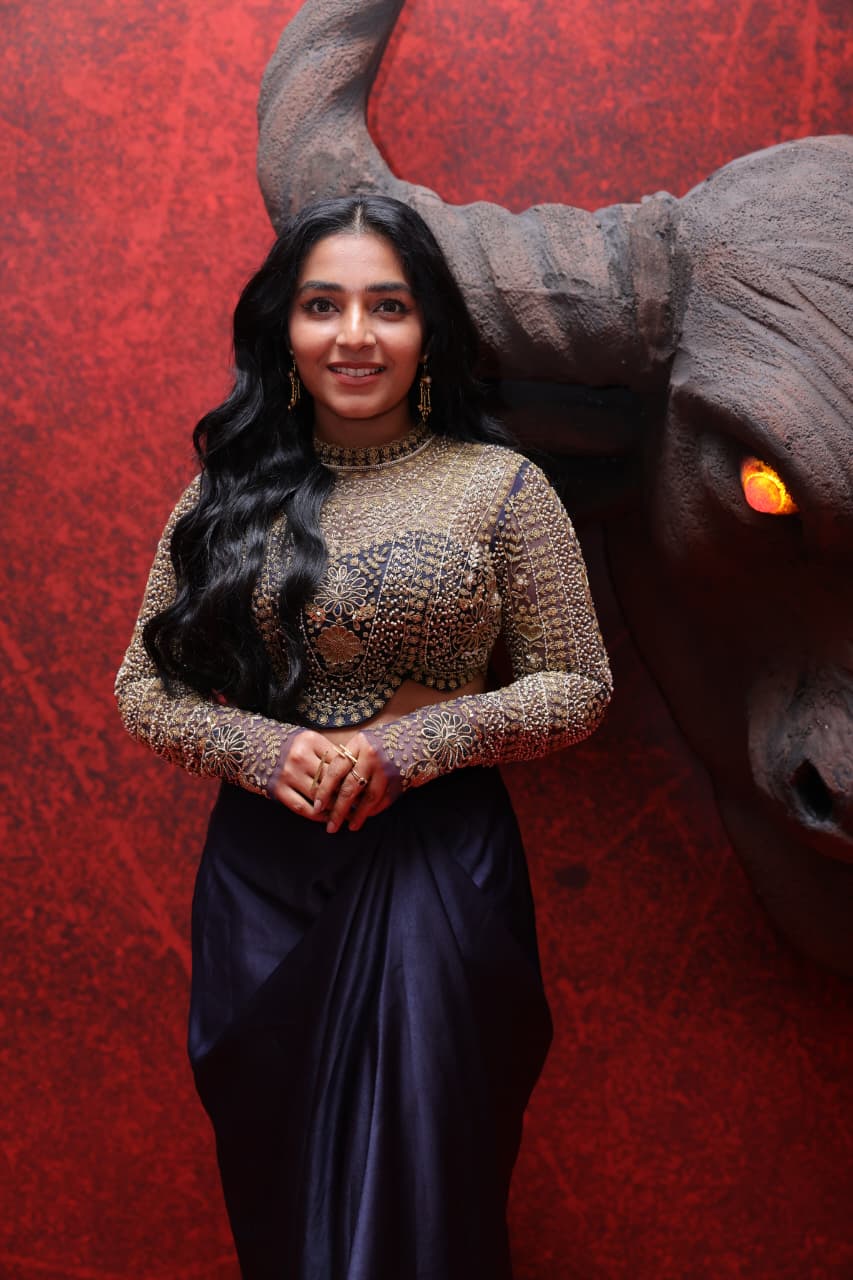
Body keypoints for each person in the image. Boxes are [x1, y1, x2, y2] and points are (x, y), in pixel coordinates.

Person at [115, 193, 612, 1280]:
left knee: (426, 1196)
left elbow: (579, 685)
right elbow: (143, 690)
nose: (354, 335)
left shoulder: (500, 489)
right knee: (285, 1206)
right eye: (322, 305)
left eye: (387, 305)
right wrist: (263, 753)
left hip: (437, 868)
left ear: (428, 326)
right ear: (283, 329)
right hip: (263, 881)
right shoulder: (223, 494)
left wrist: (420, 746)